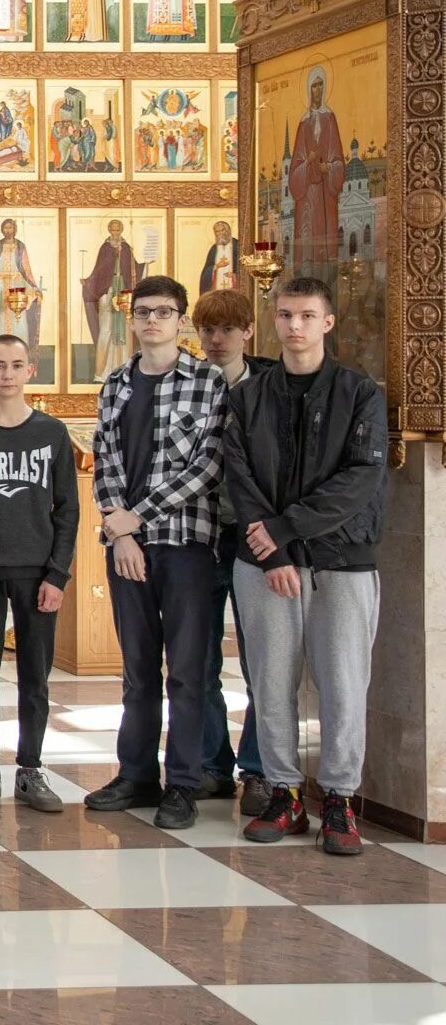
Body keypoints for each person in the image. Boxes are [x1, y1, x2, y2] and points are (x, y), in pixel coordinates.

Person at [224, 277, 386, 855]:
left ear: (327, 322)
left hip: (342, 559)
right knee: (270, 682)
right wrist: (277, 552)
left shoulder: (359, 391)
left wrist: (286, 532)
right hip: (265, 562)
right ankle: (285, 794)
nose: (294, 326)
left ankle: (339, 800)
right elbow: (239, 479)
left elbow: (360, 479)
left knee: (344, 682)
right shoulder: (247, 397)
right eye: (285, 314)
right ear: (274, 320)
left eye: (306, 315)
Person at [83, 276, 228, 832]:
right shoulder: (117, 381)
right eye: (142, 312)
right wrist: (121, 534)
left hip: (187, 544)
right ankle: (136, 773)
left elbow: (208, 466)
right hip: (128, 550)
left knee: (188, 671)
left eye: (163, 312)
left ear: (181, 320)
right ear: (132, 317)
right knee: (138, 669)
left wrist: (136, 518)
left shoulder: (208, 381)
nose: (151, 321)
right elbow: (106, 457)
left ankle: (184, 784)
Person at [0, 334, 77, 813]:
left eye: (16, 365)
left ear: (30, 369)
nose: (6, 374)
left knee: (35, 678)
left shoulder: (51, 433)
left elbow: (68, 510)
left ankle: (31, 768)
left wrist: (58, 575)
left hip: (36, 571)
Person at [192, 288, 272, 816]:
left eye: (228, 330)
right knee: (197, 659)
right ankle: (211, 766)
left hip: (254, 538)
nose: (217, 340)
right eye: (208, 330)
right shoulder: (188, 385)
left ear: (247, 331)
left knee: (263, 658)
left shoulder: (271, 388)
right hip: (198, 535)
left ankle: (261, 770)